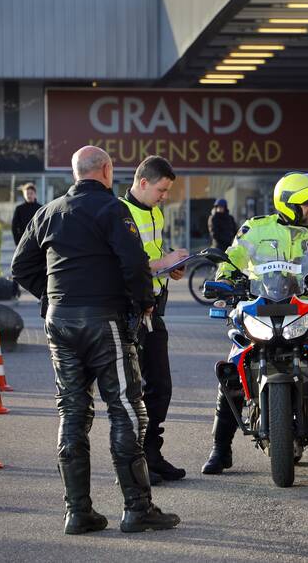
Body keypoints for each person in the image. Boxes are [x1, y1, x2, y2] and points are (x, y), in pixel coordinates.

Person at [11, 146, 179, 535]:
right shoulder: (112, 209)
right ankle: (138, 508)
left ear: (75, 173)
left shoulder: (48, 211)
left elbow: (21, 268)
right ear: (106, 171)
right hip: (105, 320)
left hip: (59, 322)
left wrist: (53, 298)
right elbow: (134, 263)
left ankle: (78, 512)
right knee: (125, 408)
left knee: (72, 412)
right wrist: (142, 306)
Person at [201, 172, 308, 475]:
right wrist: (225, 280)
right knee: (232, 368)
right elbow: (234, 258)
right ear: (290, 203)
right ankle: (220, 448)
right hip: (261, 306)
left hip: (302, 306)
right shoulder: (255, 229)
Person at [120, 156, 189, 484]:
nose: (165, 196)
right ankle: (140, 461)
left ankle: (152, 453)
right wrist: (163, 261)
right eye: (161, 189)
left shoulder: (154, 212)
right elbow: (125, 264)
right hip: (133, 313)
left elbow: (152, 255)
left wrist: (170, 267)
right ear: (143, 182)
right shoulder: (121, 213)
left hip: (153, 308)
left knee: (159, 387)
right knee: (144, 388)